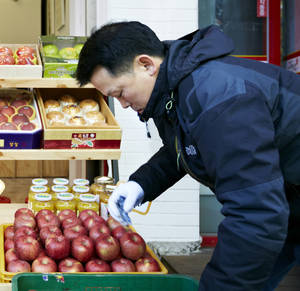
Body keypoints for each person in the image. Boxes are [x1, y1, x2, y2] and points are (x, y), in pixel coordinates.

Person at [75, 22, 300, 290]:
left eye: (120, 93)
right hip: (285, 203)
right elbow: (182, 149)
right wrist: (141, 184)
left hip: (276, 204)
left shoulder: (219, 97)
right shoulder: (171, 92)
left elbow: (255, 213)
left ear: (146, 65)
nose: (122, 104)